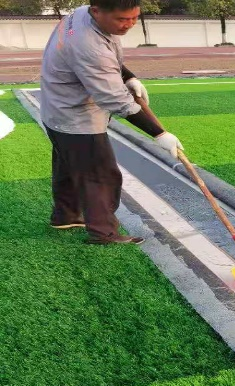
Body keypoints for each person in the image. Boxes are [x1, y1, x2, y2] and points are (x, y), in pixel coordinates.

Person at [40, 0, 183, 244]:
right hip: (76, 115)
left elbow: (107, 55)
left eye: (134, 18)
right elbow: (117, 100)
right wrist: (159, 133)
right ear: (97, 11)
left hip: (56, 108)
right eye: (122, 19)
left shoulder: (82, 13)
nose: (129, 25)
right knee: (100, 175)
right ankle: (103, 233)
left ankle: (66, 216)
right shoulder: (87, 44)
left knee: (70, 166)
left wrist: (128, 76)